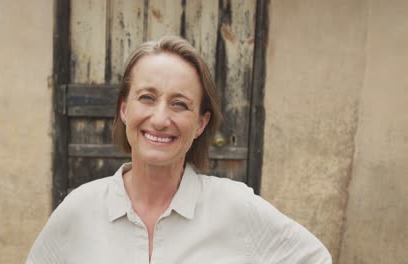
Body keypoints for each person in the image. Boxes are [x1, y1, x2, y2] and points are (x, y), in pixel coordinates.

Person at [27, 36, 332, 264]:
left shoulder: (236, 207)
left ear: (201, 123)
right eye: (147, 97)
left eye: (180, 104)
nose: (160, 119)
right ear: (123, 109)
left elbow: (315, 259)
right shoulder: (79, 209)